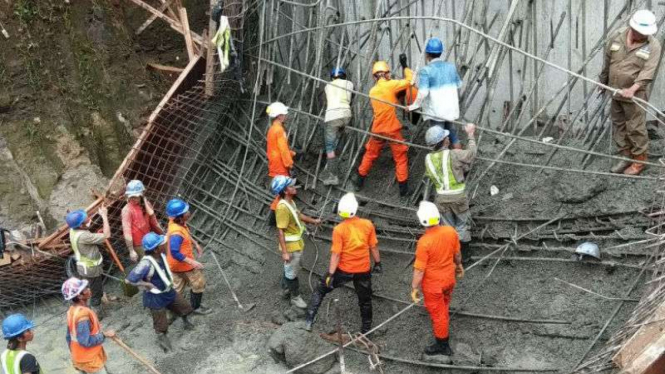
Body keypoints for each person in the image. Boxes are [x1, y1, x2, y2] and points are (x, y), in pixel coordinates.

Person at [305, 192, 381, 334]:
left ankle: (309, 320)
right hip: (363, 269)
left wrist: (331, 274)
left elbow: (336, 254)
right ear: (356, 208)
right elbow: (373, 247)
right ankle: (366, 330)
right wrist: (377, 263)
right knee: (365, 300)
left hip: (344, 270)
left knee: (320, 289)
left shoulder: (339, 229)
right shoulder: (367, 224)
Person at [599, 9, 661, 176]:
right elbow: (607, 61)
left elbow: (648, 71)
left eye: (645, 33)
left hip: (635, 95)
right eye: (640, 32)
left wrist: (632, 89)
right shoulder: (617, 36)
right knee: (618, 124)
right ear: (633, 28)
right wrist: (603, 81)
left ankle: (640, 160)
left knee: (635, 127)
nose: (643, 36)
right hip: (615, 91)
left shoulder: (653, 46)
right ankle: (625, 155)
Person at [410, 201, 463, 361]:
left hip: (433, 286)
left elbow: (419, 270)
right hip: (449, 279)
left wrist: (414, 288)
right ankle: (443, 324)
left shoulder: (424, 242)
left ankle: (442, 345)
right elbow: (457, 254)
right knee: (444, 305)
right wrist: (459, 266)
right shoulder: (450, 231)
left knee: (438, 315)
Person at [352, 59, 414, 197]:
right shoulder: (391, 85)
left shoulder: (372, 91)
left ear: (375, 76)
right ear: (386, 74)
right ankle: (403, 190)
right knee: (400, 157)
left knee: (370, 154)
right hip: (392, 129)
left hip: (378, 130)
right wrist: (405, 66)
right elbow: (410, 80)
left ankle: (359, 181)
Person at [126, 232, 194, 352]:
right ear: (156, 249)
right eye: (161, 244)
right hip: (155, 297)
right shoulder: (145, 263)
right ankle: (164, 343)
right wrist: (146, 284)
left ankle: (184, 320)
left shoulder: (161, 255)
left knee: (185, 307)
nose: (165, 244)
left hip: (168, 290)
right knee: (161, 324)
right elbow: (130, 280)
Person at [422, 123, 477, 263]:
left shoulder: (428, 159)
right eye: (446, 137)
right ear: (444, 141)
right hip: (458, 198)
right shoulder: (454, 154)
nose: (448, 138)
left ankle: (451, 256)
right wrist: (470, 135)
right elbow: (471, 155)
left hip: (441, 199)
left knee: (448, 228)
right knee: (462, 226)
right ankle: (464, 256)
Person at [271, 175, 321, 309]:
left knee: (290, 268)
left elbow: (298, 215)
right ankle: (295, 297)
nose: (295, 187)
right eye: (291, 186)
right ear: (285, 190)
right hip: (291, 246)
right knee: (291, 272)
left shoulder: (290, 202)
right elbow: (280, 230)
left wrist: (313, 221)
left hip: (296, 242)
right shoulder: (282, 208)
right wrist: (285, 253)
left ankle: (285, 289)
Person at [408, 37, 463, 149]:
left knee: (439, 141)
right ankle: (461, 161)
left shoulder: (426, 70)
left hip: (437, 112)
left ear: (427, 54)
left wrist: (413, 106)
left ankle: (442, 164)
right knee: (453, 135)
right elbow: (459, 84)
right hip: (450, 111)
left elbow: (423, 92)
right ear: (440, 53)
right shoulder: (451, 67)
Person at [165, 198, 212, 315]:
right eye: (186, 212)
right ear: (180, 216)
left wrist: (195, 243)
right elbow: (175, 252)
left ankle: (172, 311)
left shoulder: (175, 223)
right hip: (183, 264)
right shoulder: (176, 233)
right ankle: (195, 307)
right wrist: (192, 262)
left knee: (177, 289)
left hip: (173, 265)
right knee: (198, 283)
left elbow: (184, 233)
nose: (189, 213)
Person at [62, 277, 115, 374]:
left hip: (80, 358)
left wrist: (75, 357)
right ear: (79, 296)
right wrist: (104, 335)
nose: (89, 290)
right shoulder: (83, 316)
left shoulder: (71, 311)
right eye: (85, 289)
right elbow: (85, 341)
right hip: (89, 359)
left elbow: (68, 337)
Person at [66, 205, 111, 319]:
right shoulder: (84, 236)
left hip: (83, 266)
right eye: (86, 220)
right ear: (81, 225)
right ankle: (96, 315)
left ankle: (86, 308)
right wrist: (104, 216)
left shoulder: (73, 230)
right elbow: (107, 235)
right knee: (96, 292)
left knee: (87, 288)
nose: (89, 220)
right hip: (91, 268)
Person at [321, 67, 354, 186]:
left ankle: (333, 176)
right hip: (346, 114)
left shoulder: (327, 86)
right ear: (344, 76)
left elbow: (327, 101)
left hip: (332, 116)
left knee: (330, 146)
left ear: (331, 78)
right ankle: (347, 160)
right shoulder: (350, 84)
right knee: (345, 134)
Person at [121, 180, 163, 263]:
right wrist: (131, 250)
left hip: (151, 240)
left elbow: (154, 222)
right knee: (149, 265)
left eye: (135, 196)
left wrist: (162, 235)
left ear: (141, 194)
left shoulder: (146, 204)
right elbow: (127, 232)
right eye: (131, 196)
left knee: (159, 261)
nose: (133, 198)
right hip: (139, 245)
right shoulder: (127, 210)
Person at [266, 102, 296, 213]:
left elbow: (275, 148)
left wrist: (293, 153)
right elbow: (283, 149)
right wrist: (290, 165)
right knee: (283, 192)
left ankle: (275, 213)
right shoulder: (279, 130)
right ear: (279, 116)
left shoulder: (272, 129)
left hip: (274, 163)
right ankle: (273, 214)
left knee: (282, 190)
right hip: (280, 165)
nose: (285, 116)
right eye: (284, 114)